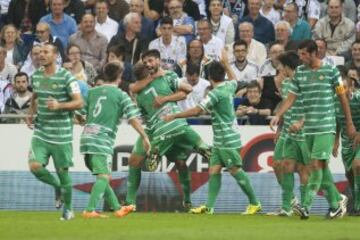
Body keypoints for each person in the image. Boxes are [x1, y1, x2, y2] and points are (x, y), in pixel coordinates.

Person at [163, 60, 261, 215]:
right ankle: (209, 207)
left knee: (235, 170)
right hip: (222, 138)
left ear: (209, 77)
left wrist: (175, 115)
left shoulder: (215, 94)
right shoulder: (229, 86)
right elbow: (235, 79)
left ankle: (255, 202)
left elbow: (197, 111)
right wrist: (226, 64)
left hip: (227, 139)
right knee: (214, 170)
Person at [270, 40, 353, 219]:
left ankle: (305, 206)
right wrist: (278, 115)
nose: (300, 58)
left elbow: (342, 98)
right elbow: (291, 98)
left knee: (314, 165)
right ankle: (336, 202)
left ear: (315, 53)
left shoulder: (331, 71)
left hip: (326, 126)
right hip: (309, 130)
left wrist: (349, 123)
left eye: (304, 54)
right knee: (318, 167)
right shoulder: (300, 72)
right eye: (299, 54)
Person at [123, 50, 211, 215]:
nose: (148, 66)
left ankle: (187, 201)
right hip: (152, 128)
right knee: (134, 160)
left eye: (150, 62)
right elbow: (132, 88)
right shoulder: (137, 88)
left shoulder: (168, 76)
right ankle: (130, 203)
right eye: (145, 64)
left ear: (157, 60)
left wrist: (165, 99)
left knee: (180, 163)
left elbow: (186, 90)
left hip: (170, 120)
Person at [80, 62, 150, 218]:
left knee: (103, 177)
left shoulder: (92, 92)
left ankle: (118, 209)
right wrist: (145, 137)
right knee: (103, 177)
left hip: (86, 139)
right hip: (101, 140)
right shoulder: (121, 95)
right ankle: (89, 210)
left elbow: (80, 115)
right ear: (120, 75)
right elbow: (133, 119)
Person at [26, 43, 83, 220]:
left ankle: (69, 210)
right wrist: (30, 113)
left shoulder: (67, 78)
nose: (41, 55)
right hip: (41, 132)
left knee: (63, 172)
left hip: (61, 135)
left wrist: (59, 106)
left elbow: (79, 102)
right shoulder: (35, 76)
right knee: (35, 166)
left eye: (46, 52)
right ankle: (57, 186)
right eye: (39, 52)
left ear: (55, 55)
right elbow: (35, 95)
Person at [273, 51, 310, 216]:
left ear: (287, 67)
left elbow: (310, 106)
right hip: (287, 131)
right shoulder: (287, 84)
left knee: (303, 169)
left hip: (304, 132)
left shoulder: (304, 83)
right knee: (279, 164)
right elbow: (285, 107)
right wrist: (280, 129)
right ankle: (288, 204)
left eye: (281, 66)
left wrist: (302, 122)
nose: (279, 69)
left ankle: (303, 206)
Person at [333, 69, 360, 215]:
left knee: (358, 166)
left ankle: (358, 207)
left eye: (345, 88)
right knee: (350, 173)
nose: (342, 91)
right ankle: (356, 202)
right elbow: (337, 121)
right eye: (339, 89)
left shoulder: (358, 98)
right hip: (346, 142)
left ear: (351, 87)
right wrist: (336, 141)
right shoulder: (335, 102)